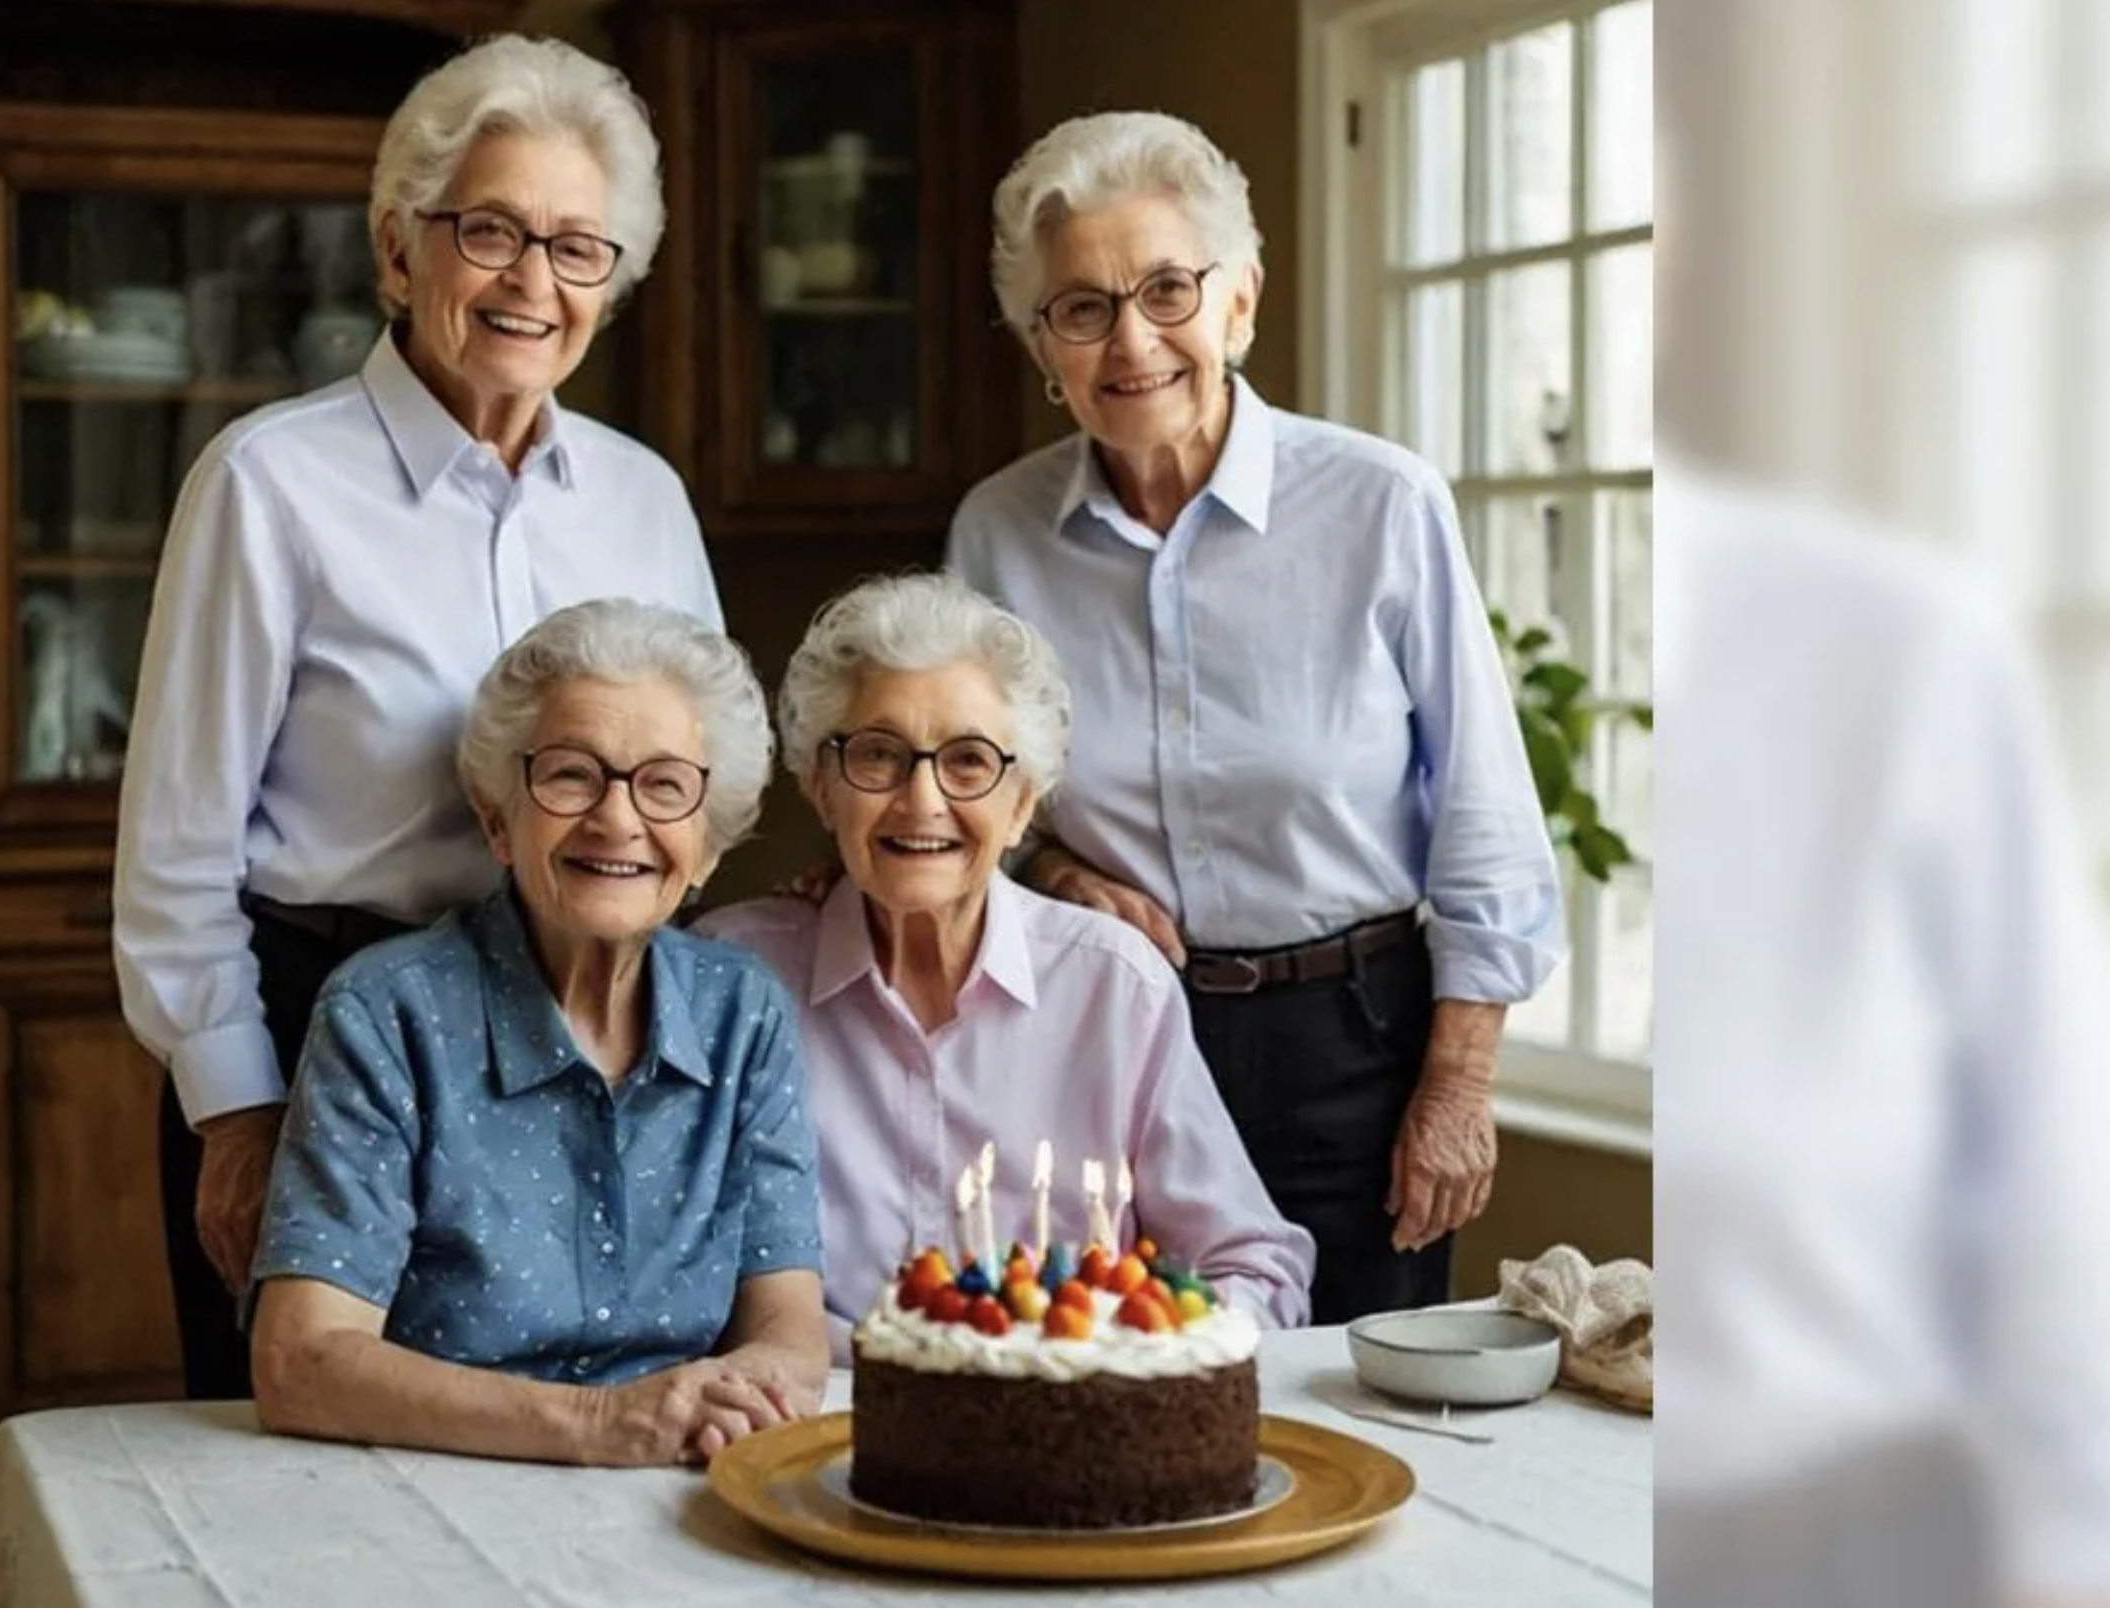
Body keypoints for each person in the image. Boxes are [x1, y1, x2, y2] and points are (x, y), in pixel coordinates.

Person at [112, 35, 722, 1400]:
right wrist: (239, 1116)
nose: (532, 282)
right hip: (316, 1027)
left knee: (548, 1427)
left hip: (574, 1035)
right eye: (491, 231)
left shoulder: (645, 500)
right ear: (400, 250)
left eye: (580, 249)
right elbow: (176, 853)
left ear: (611, 290)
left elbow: (692, 790)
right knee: (301, 1458)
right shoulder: (269, 483)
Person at [947, 112, 1564, 1322]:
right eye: (1080, 308)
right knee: (1118, 1388)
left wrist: (1454, 1089)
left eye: (1167, 289)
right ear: (1042, 349)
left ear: (1240, 303)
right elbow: (971, 794)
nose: (1131, 340)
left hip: (1354, 1047)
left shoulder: (1380, 505)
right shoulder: (994, 536)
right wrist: (1064, 868)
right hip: (1107, 1036)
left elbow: (1485, 818)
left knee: (1355, 1420)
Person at [249, 600, 826, 1467]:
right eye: (569, 775)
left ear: (705, 847)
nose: (617, 819)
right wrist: (596, 1425)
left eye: (665, 784)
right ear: (497, 820)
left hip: (678, 1483)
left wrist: (737, 1399)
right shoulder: (385, 1014)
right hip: (431, 1488)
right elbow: (300, 1361)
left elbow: (790, 1327)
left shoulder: (744, 1013)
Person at [701, 574, 1312, 1352]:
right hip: (812, 1431)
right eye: (878, 755)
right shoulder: (731, 980)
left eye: (968, 762)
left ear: (1023, 802)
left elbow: (1254, 1263)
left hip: (1071, 1423)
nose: (921, 800)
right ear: (821, 789)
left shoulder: (1112, 987)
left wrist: (1143, 1358)